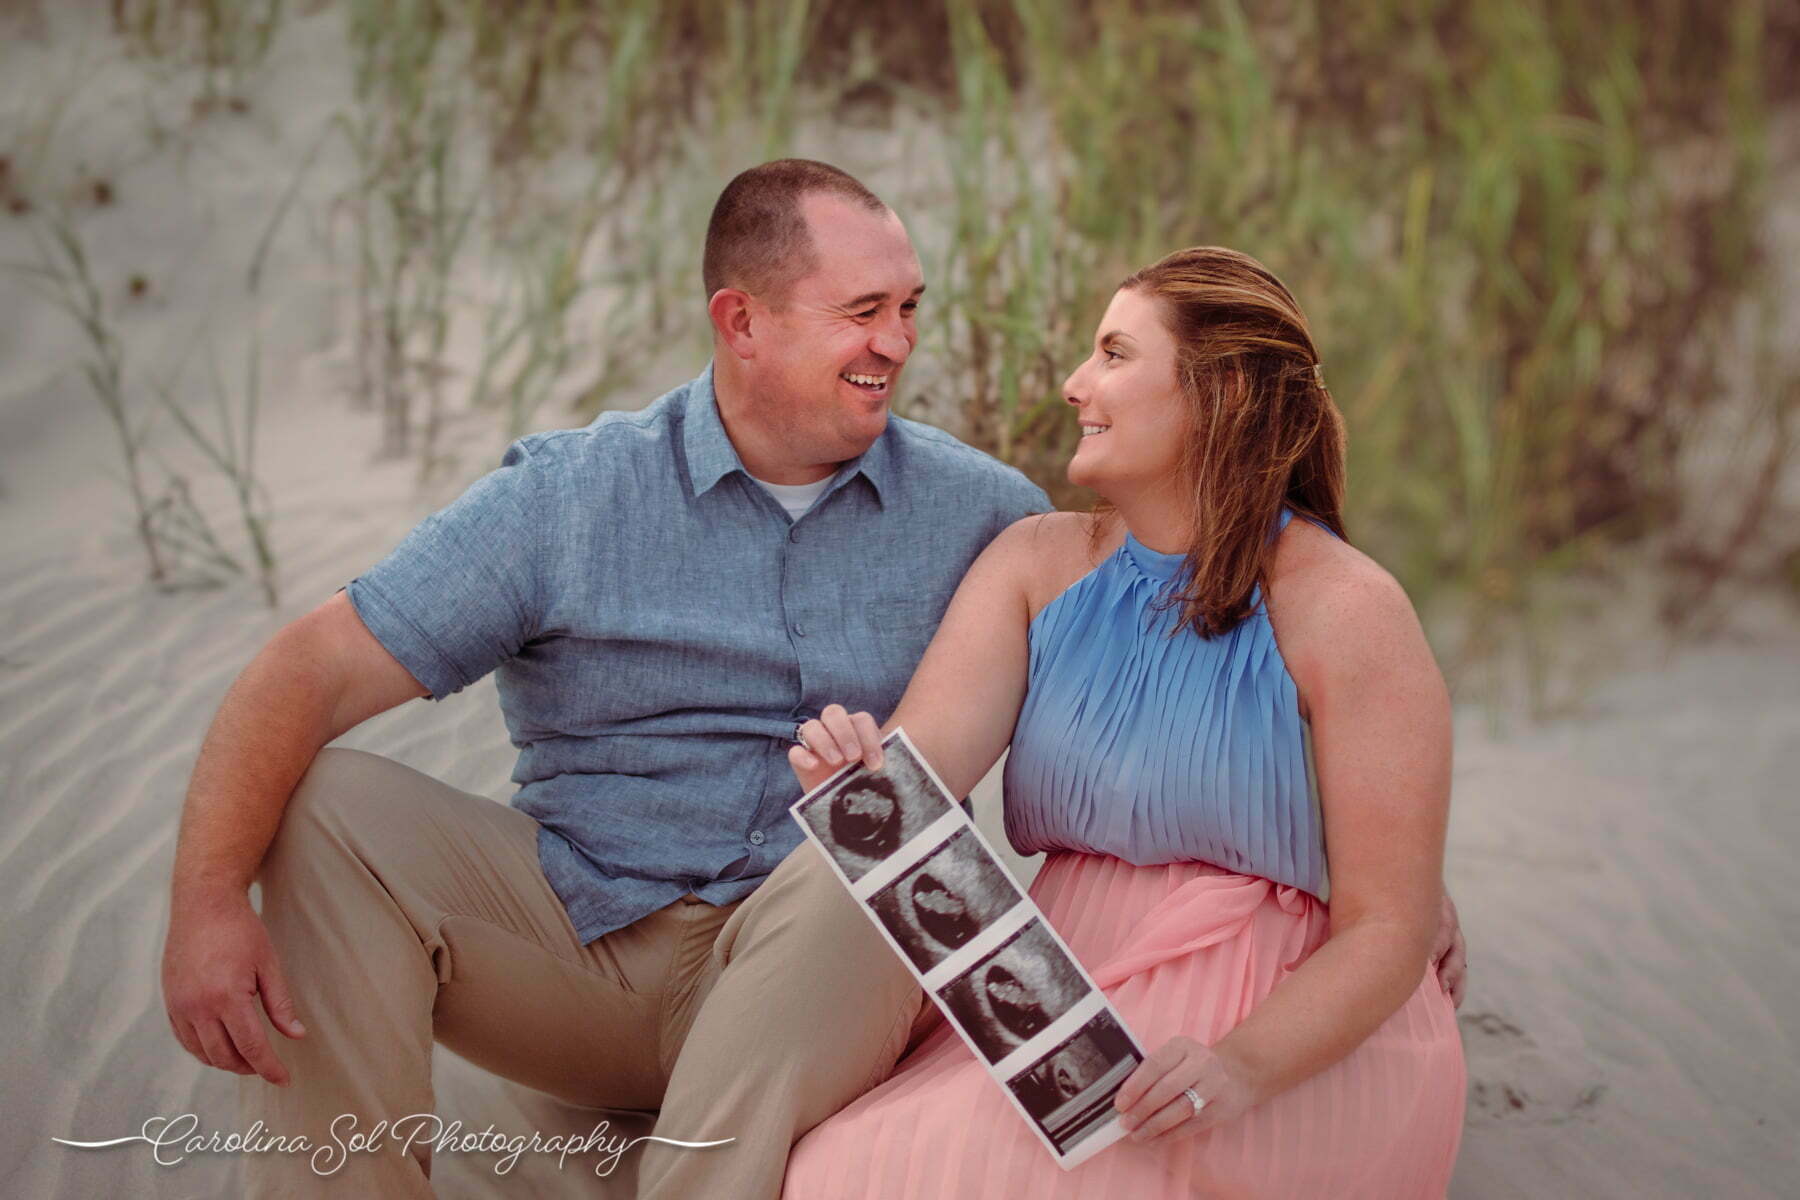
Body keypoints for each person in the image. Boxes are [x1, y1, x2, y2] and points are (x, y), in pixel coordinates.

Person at [157, 159, 1051, 1200]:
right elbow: (307, 668)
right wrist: (206, 898)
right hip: (581, 954)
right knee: (326, 806)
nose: (896, 342)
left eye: (906, 308)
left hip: (819, 975)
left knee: (876, 831)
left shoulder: (985, 514)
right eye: (862, 312)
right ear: (742, 321)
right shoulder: (569, 499)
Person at [783, 247, 1468, 1197]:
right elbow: (921, 764)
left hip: (1277, 1033)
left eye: (1112, 354)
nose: (1074, 385)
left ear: (1217, 392)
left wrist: (1239, 1066)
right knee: (839, 1170)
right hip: (1053, 997)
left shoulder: (1348, 608)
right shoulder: (1035, 564)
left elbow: (1389, 927)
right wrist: (857, 769)